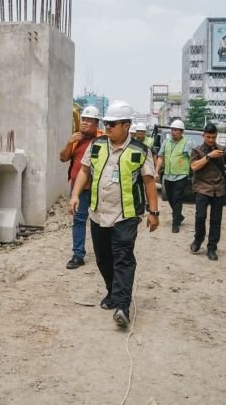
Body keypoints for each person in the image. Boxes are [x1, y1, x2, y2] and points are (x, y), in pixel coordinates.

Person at [69, 100, 160, 329]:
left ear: (126, 126)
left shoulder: (140, 151)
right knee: (103, 258)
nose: (107, 127)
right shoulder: (98, 145)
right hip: (98, 213)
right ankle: (112, 291)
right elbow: (84, 170)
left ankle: (122, 306)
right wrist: (75, 195)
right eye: (106, 123)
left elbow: (149, 182)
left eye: (113, 124)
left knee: (123, 258)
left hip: (126, 215)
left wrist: (153, 212)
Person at [59, 105, 103, 269]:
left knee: (100, 221)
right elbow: (63, 158)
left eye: (89, 120)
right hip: (78, 189)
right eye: (83, 119)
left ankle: (103, 252)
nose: (84, 123)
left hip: (97, 189)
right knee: (78, 221)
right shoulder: (76, 139)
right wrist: (68, 142)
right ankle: (78, 254)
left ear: (96, 123)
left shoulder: (102, 139)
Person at [189, 123, 226, 261]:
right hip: (202, 188)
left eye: (213, 137)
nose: (211, 140)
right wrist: (209, 156)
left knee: (216, 220)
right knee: (200, 217)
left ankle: (212, 248)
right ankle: (198, 239)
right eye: (208, 137)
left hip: (219, 189)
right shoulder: (196, 151)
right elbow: (194, 167)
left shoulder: (222, 150)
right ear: (203, 135)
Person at [157, 119, 193, 233]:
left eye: (176, 130)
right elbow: (160, 157)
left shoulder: (187, 143)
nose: (173, 132)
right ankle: (179, 216)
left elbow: (193, 159)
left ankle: (175, 223)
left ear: (182, 132)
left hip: (181, 175)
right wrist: (156, 171)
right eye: (172, 129)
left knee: (177, 198)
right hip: (168, 175)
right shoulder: (166, 142)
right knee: (170, 198)